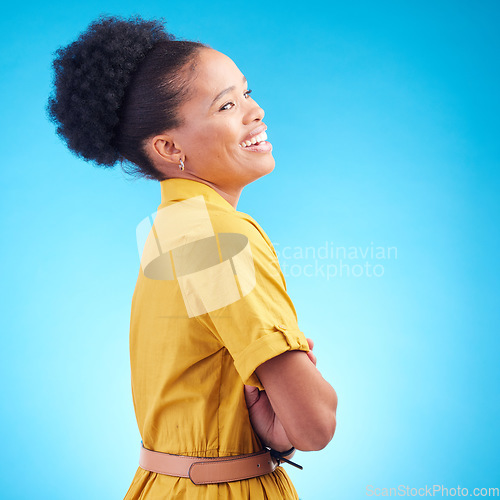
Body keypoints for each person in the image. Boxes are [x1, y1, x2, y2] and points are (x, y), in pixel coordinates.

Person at [48, 15, 338, 499]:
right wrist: (307, 390)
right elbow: (316, 426)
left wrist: (270, 429)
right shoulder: (219, 236)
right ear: (168, 147)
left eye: (246, 92)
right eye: (227, 104)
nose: (256, 112)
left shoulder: (169, 230)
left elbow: (203, 387)